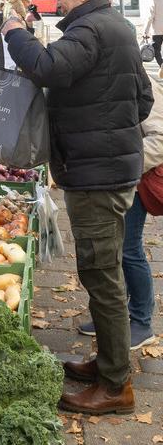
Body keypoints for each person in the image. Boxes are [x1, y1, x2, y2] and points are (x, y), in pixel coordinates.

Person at [0, 0, 153, 416]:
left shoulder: (91, 31)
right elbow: (142, 99)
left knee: (101, 275)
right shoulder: (115, 26)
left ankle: (114, 387)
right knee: (101, 270)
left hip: (98, 175)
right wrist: (106, 122)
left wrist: (13, 30)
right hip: (107, 168)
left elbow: (46, 68)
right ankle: (108, 363)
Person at [77, 85, 163, 351]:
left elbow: (160, 139)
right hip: (113, 181)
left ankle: (142, 321)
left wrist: (123, 163)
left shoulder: (140, 82)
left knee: (129, 249)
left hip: (133, 181)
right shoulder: (109, 76)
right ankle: (115, 317)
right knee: (114, 248)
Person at [143, 0, 163, 74]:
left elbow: (150, 16)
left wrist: (146, 31)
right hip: (157, 30)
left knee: (156, 50)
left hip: (157, 31)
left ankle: (162, 65)